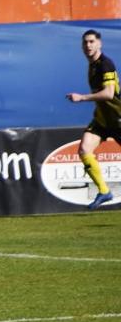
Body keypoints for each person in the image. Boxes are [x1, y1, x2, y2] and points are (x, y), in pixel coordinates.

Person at [65, 29, 117, 209]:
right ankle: (104, 191)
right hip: (103, 120)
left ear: (99, 43)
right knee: (84, 149)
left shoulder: (105, 64)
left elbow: (110, 94)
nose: (88, 45)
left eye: (92, 42)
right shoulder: (92, 65)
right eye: (85, 42)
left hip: (117, 119)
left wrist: (82, 98)